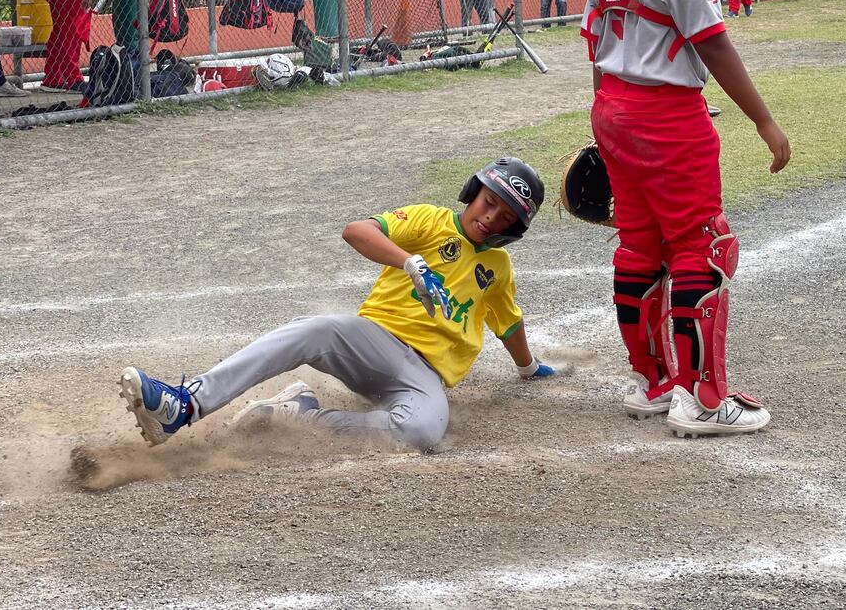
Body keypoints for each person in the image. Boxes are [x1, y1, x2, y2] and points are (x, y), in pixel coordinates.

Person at [118, 158, 556, 453]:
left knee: (423, 431)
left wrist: (528, 367)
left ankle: (299, 416)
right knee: (318, 329)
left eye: (504, 217)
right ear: (473, 191)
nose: (490, 217)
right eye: (489, 202)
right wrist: (409, 262)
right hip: (375, 343)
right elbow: (356, 230)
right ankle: (184, 405)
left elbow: (508, 323)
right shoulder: (431, 221)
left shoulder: (498, 266)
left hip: (424, 378)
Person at [583, 0, 791, 438]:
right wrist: (763, 119)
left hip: (614, 108)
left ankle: (655, 383)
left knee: (640, 246)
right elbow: (713, 44)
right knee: (704, 246)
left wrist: (606, 123)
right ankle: (704, 399)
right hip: (667, 116)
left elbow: (596, 48)